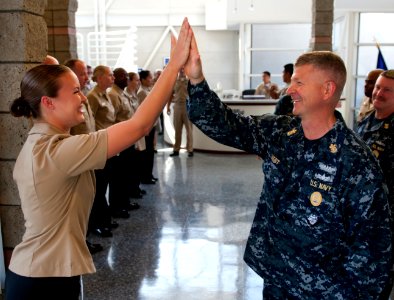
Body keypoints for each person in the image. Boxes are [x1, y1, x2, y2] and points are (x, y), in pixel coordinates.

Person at [184, 29, 391, 299]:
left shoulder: (356, 162)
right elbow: (222, 123)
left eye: (299, 83)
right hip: (277, 282)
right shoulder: (280, 133)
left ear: (327, 89)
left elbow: (373, 253)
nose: (290, 90)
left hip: (323, 292)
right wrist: (197, 79)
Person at [5, 18, 193, 300]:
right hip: (43, 281)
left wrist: (51, 67)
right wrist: (173, 66)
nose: (83, 97)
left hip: (43, 273)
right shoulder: (57, 152)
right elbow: (138, 125)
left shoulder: (42, 143)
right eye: (75, 91)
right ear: (48, 102)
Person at [357, 69, 394, 300]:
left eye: (387, 90)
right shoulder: (365, 121)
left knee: (379, 279)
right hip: (360, 216)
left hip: (387, 220)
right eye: (378, 87)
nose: (378, 92)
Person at [64, 58, 102, 254]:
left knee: (90, 197)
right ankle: (82, 240)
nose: (87, 76)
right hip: (78, 156)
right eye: (82, 73)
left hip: (88, 152)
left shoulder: (84, 95)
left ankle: (86, 237)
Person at [108, 67, 141, 208]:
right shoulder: (114, 95)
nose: (126, 78)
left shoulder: (122, 93)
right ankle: (118, 205)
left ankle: (124, 201)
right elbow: (112, 119)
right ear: (115, 78)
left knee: (126, 173)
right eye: (123, 76)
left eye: (127, 76)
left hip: (128, 140)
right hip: (120, 141)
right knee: (119, 175)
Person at [167, 68, 193, 157]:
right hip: (177, 106)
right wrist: (168, 107)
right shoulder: (174, 81)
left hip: (187, 106)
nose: (182, 70)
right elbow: (171, 94)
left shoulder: (190, 81)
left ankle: (190, 149)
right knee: (177, 129)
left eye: (183, 69)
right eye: (180, 69)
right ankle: (176, 149)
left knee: (189, 129)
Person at [138, 69, 158, 184]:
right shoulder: (142, 92)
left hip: (152, 124)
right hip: (147, 126)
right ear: (143, 80)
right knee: (147, 153)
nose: (151, 80)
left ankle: (149, 174)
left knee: (150, 152)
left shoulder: (148, 89)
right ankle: (145, 176)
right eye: (149, 78)